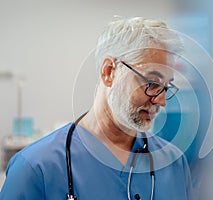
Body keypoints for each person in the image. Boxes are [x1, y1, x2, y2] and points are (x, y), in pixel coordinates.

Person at [0, 17, 194, 199]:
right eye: (152, 82)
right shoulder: (36, 168)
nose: (161, 101)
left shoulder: (174, 163)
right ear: (109, 72)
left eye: (166, 86)